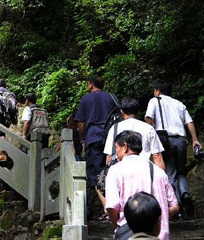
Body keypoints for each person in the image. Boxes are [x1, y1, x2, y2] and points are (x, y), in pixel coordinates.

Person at [105, 130, 179, 240]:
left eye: (116, 148)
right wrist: (153, 218)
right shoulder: (158, 171)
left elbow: (112, 206)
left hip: (130, 235)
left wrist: (117, 227)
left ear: (125, 146)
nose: (116, 153)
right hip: (159, 236)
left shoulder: (115, 170)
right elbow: (174, 207)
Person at [145, 82, 202, 217]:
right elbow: (190, 122)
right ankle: (185, 194)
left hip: (165, 141)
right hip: (181, 140)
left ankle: (176, 207)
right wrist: (195, 139)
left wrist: (151, 133)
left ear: (158, 91)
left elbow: (148, 117)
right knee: (180, 170)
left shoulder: (154, 101)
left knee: (169, 173)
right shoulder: (179, 104)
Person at [74, 75, 119, 216]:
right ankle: (114, 204)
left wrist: (82, 139)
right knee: (111, 171)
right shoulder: (111, 98)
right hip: (111, 138)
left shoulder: (86, 99)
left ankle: (106, 207)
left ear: (91, 85)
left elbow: (80, 123)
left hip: (93, 137)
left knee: (95, 173)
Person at [103, 98, 165, 170]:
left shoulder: (115, 128)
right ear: (138, 112)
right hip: (144, 172)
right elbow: (157, 156)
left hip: (122, 172)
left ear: (122, 112)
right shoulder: (148, 128)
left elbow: (109, 156)